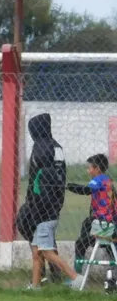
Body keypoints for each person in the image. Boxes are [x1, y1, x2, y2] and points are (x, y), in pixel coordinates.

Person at [15, 113, 79, 289]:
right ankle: (38, 281)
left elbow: (38, 179)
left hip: (42, 202)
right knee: (39, 243)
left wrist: (34, 204)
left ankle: (73, 277)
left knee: (39, 241)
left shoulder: (41, 147)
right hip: (55, 199)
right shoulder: (56, 146)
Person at [67, 154, 114, 273]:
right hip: (109, 220)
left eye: (89, 168)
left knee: (80, 243)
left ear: (97, 168)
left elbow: (86, 190)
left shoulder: (98, 180)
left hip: (103, 221)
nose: (87, 170)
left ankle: (76, 275)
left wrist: (68, 186)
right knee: (87, 224)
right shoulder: (107, 180)